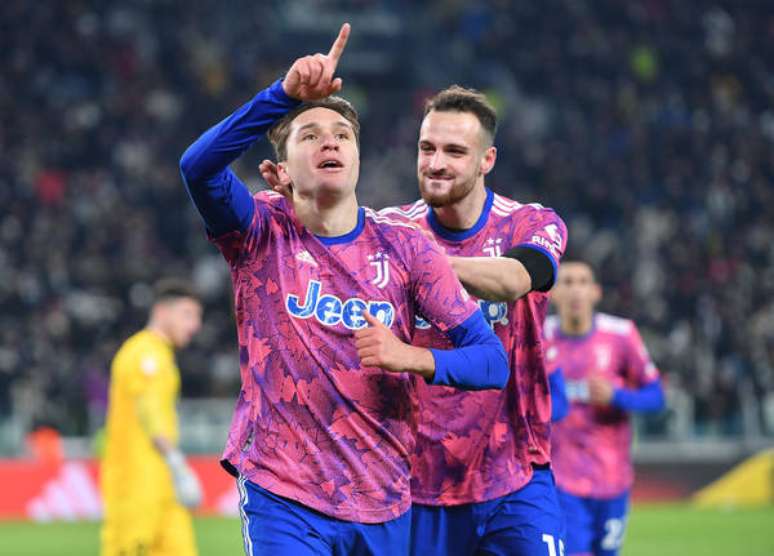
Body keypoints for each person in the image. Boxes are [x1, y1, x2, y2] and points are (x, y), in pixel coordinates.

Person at [179, 24, 509, 556]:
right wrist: (282, 97)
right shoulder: (260, 229)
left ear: (357, 158)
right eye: (309, 135)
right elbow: (197, 168)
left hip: (383, 496)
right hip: (283, 492)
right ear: (281, 170)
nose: (329, 140)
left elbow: (491, 362)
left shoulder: (406, 248)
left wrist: (412, 357)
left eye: (342, 134)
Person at [263, 85, 569, 555]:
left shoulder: (529, 222)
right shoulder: (390, 229)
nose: (436, 163)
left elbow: (513, 280)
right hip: (414, 482)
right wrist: (301, 198)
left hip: (514, 473)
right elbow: (324, 251)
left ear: (487, 160)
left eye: (454, 151)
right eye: (427, 148)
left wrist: (424, 266)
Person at [544, 260, 666, 556]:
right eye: (567, 282)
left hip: (613, 478)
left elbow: (657, 397)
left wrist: (617, 396)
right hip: (562, 479)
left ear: (595, 292)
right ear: (553, 293)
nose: (575, 290)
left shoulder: (621, 334)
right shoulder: (540, 336)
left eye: (583, 282)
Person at [100, 278, 204, 556]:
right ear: (161, 312)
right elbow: (151, 412)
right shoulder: (145, 354)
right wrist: (177, 463)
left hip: (162, 484)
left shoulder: (160, 355)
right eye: (187, 315)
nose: (194, 326)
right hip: (136, 483)